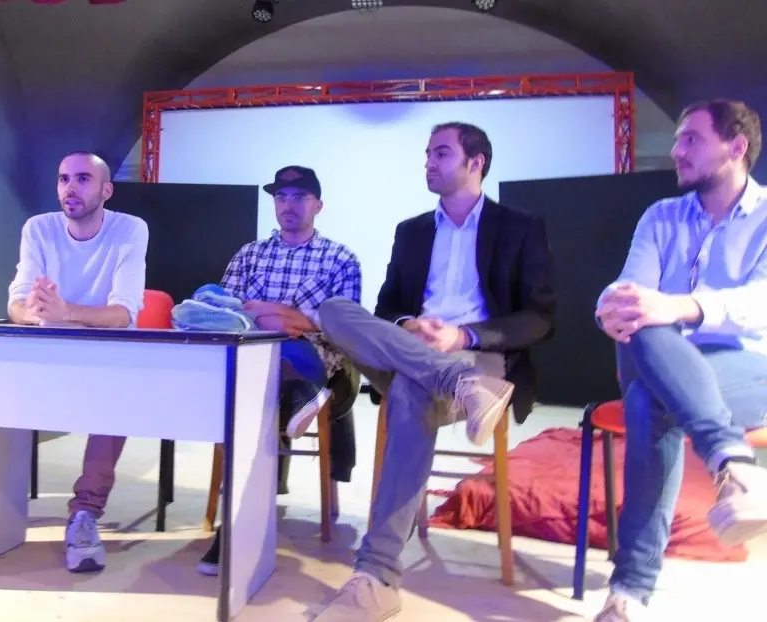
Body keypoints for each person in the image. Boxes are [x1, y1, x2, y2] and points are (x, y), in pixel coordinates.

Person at [312, 122, 556, 621]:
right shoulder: (412, 231)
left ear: (476, 163)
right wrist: (408, 324)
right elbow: (386, 308)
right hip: (417, 353)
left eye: (440, 153)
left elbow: (540, 317)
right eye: (427, 153)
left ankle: (377, 576)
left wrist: (463, 336)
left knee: (410, 392)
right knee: (334, 310)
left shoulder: (520, 226)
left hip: (480, 355)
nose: (427, 162)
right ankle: (459, 384)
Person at [592, 99, 767, 621]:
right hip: (655, 353)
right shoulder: (660, 216)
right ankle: (732, 464)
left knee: (648, 403)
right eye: (676, 139)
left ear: (736, 147)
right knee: (641, 319)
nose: (676, 150)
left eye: (691, 138)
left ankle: (629, 592)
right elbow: (631, 290)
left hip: (747, 365)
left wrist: (680, 307)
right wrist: (609, 307)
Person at [194, 165, 363, 576]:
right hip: (250, 353)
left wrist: (274, 314)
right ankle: (297, 396)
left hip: (314, 355)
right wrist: (282, 316)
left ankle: (234, 528)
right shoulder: (249, 255)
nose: (289, 205)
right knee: (250, 385)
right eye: (282, 197)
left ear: (318, 205)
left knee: (262, 394)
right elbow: (224, 312)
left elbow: (344, 326)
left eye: (300, 197)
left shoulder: (341, 259)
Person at [6, 151, 149, 573]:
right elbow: (16, 303)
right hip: (48, 347)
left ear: (106, 190)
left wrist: (64, 310)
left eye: (83, 179)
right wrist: (35, 312)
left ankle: (85, 513)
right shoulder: (38, 228)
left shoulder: (130, 229)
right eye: (64, 178)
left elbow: (123, 315)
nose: (70, 187)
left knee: (118, 393)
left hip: (106, 355)